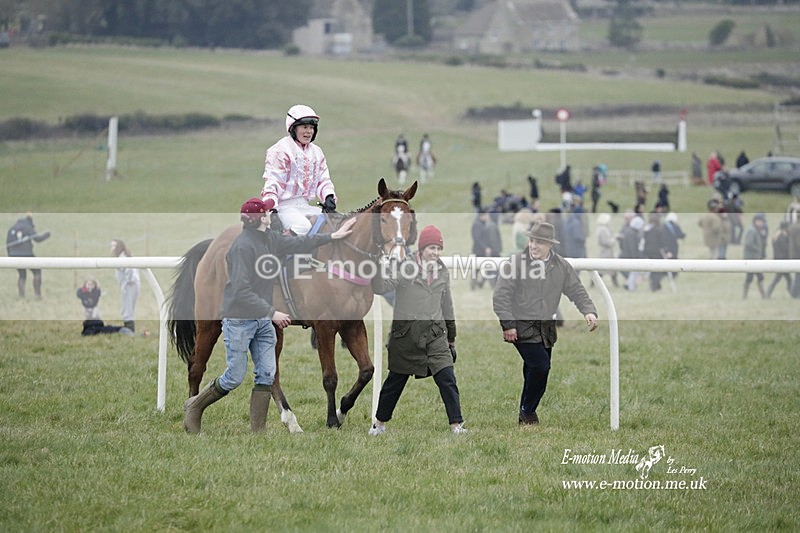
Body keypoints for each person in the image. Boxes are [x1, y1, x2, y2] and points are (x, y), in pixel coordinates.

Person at [183, 197, 356, 434]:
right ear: (259, 219)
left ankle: (258, 433)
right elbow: (242, 291)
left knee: (266, 373)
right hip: (240, 319)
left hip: (263, 320)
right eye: (267, 213)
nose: (271, 214)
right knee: (234, 377)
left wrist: (332, 237)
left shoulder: (269, 238)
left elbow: (300, 243)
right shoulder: (242, 247)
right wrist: (272, 312)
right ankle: (194, 407)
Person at [492, 221, 598, 426]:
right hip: (520, 327)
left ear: (550, 245)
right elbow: (500, 297)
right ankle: (529, 412)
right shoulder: (515, 263)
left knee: (534, 370)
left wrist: (589, 311)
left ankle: (524, 414)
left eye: (539, 242)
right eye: (532, 241)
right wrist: (508, 325)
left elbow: (576, 290)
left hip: (546, 329)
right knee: (541, 366)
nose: (533, 246)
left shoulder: (561, 266)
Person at [369, 225, 466, 435]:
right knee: (395, 382)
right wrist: (375, 267)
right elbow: (380, 287)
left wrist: (452, 338)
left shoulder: (442, 271)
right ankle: (379, 424)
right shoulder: (406, 267)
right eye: (432, 247)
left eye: (439, 248)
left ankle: (456, 425)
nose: (436, 253)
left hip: (435, 336)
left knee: (447, 378)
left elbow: (447, 305)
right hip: (406, 338)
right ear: (422, 248)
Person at [260, 104, 337, 236]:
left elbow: (323, 180)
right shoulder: (280, 150)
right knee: (302, 226)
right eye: (305, 127)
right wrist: (272, 211)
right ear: (293, 128)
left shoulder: (316, 152)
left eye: (312, 128)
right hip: (283, 206)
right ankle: (279, 250)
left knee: (331, 223)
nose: (309, 131)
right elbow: (274, 183)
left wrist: (329, 196)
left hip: (305, 206)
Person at [6, 214, 49, 299]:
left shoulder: (12, 228)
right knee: (37, 272)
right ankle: (37, 295)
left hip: (13, 255)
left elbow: (7, 244)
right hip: (27, 254)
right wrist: (47, 234)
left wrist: (10, 256)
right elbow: (38, 239)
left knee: (22, 275)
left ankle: (21, 296)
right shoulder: (28, 227)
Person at [110, 239, 140, 332]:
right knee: (129, 307)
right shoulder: (124, 256)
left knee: (127, 307)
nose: (112, 248)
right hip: (131, 284)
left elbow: (130, 269)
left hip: (129, 285)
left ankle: (129, 329)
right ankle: (129, 328)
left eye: (114, 246)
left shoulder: (122, 258)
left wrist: (129, 280)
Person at [742, 213, 767, 299]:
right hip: (751, 259)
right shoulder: (752, 231)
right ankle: (746, 295)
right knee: (751, 277)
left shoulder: (755, 230)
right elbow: (748, 244)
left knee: (759, 277)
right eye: (761, 221)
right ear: (756, 221)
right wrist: (757, 249)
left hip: (754, 259)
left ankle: (763, 295)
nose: (762, 223)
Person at [766, 221, 792, 298]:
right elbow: (786, 248)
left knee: (787, 279)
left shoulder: (777, 235)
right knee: (780, 279)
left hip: (780, 260)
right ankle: (792, 294)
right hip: (782, 261)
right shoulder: (781, 237)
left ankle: (792, 293)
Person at [595, 213, 618, 287]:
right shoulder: (603, 230)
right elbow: (606, 242)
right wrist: (614, 239)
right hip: (606, 252)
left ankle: (615, 283)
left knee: (611, 269)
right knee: (602, 269)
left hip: (607, 252)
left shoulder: (604, 228)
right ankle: (594, 282)